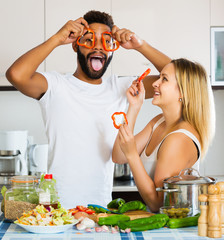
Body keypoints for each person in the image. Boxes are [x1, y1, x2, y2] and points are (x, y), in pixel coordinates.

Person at [6, 10, 171, 208]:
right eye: (89, 40)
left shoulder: (121, 87)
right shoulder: (55, 85)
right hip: (57, 210)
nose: (99, 47)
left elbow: (180, 77)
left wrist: (140, 45)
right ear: (76, 45)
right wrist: (57, 39)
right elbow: (16, 74)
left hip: (100, 209)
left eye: (106, 41)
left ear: (112, 48)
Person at [112, 58, 215, 212]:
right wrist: (134, 107)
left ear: (183, 92)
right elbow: (119, 156)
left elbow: (158, 203)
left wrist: (133, 154)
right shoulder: (159, 121)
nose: (154, 83)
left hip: (172, 227)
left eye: (164, 79)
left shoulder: (179, 139)